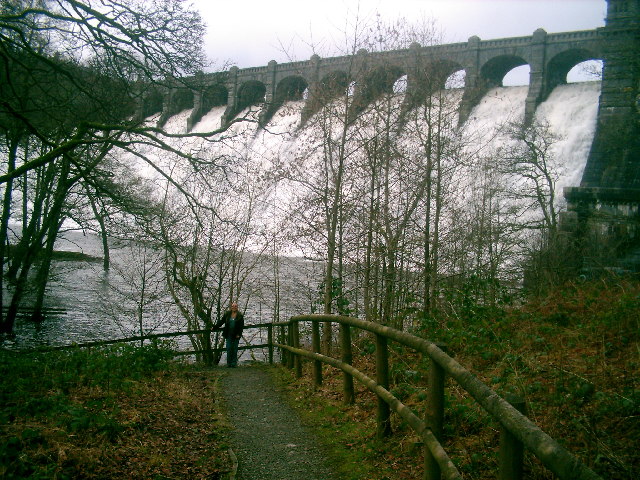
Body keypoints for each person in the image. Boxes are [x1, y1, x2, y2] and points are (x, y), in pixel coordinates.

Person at [214, 302, 244, 367]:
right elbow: (222, 321)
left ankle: (234, 363)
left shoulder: (240, 315)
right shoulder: (227, 314)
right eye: (233, 306)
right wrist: (215, 327)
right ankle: (229, 363)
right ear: (231, 307)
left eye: (235, 306)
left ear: (237, 307)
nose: (234, 307)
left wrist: (239, 334)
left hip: (236, 335)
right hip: (228, 334)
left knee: (235, 349)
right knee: (229, 348)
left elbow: (241, 326)